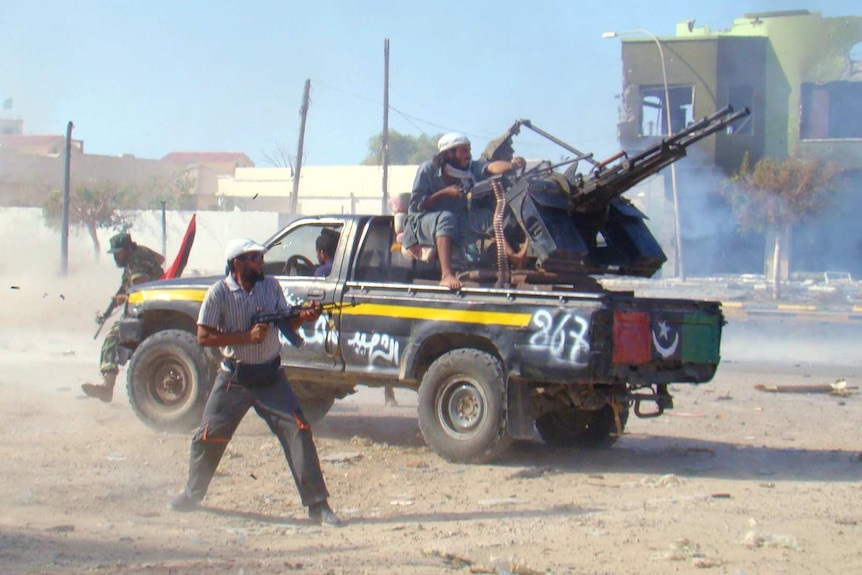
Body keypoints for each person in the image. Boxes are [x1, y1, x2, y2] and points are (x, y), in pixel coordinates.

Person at [168, 238, 340, 525]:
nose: (261, 262)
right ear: (238, 263)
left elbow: (288, 322)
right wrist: (245, 337)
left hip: (271, 377)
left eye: (261, 257)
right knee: (208, 435)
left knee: (299, 430)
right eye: (255, 258)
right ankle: (192, 492)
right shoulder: (219, 294)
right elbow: (203, 337)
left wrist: (304, 317)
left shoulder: (270, 287)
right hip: (234, 378)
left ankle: (318, 506)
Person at [402, 132, 525, 290]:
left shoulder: (468, 168)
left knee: (487, 217)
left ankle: (512, 258)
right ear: (450, 153)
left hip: (456, 222)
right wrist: (445, 193)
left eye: (469, 150)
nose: (468, 155)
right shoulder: (428, 169)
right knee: (446, 218)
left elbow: (490, 167)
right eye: (463, 151)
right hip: (421, 224)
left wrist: (512, 165)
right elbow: (418, 206)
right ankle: (446, 275)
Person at [82, 232, 165, 403]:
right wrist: (110, 309)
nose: (116, 257)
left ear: (128, 250)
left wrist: (124, 298)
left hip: (148, 308)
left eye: (118, 253)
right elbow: (160, 259)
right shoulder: (140, 253)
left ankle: (107, 386)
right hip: (155, 305)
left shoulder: (136, 261)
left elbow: (141, 288)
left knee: (113, 338)